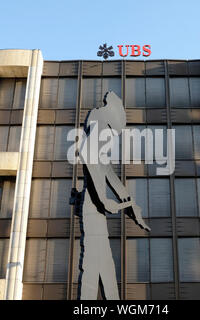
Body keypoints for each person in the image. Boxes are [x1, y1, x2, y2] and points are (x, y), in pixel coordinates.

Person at [72, 91, 150, 300]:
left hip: (96, 214)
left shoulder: (98, 153)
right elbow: (103, 197)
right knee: (92, 266)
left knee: (104, 265)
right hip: (92, 211)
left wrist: (134, 212)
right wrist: (118, 203)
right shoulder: (88, 149)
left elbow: (115, 183)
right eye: (109, 132)